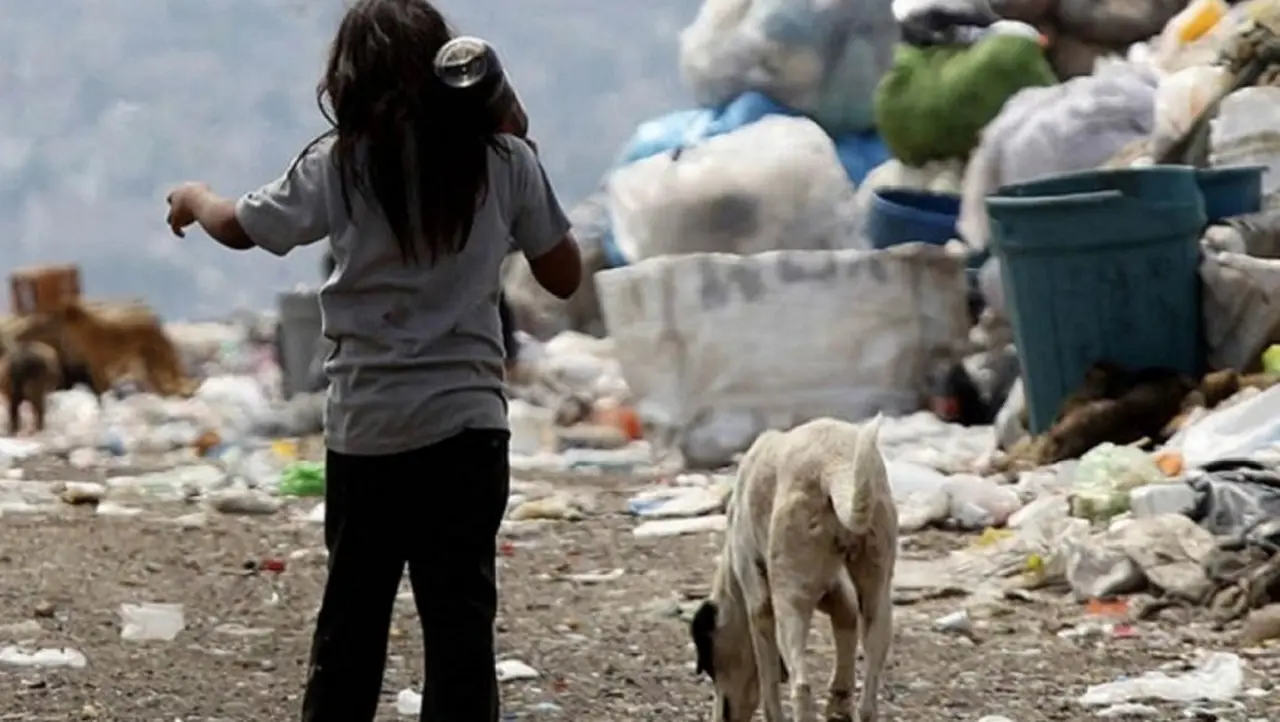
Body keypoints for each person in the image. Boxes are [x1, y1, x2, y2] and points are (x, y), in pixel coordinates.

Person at [163, 1, 581, 720]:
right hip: (469, 430)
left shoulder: (343, 160)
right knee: (460, 633)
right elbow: (564, 274)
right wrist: (519, 133)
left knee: (352, 627)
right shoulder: (503, 160)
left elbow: (245, 227)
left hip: (367, 433)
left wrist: (195, 198)